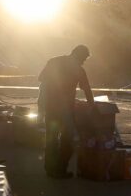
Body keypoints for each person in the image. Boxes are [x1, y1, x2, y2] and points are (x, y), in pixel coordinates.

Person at [38, 45, 96, 178]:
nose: (83, 62)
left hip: (51, 106)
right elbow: (87, 89)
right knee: (67, 140)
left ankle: (50, 170)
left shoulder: (54, 61)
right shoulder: (79, 70)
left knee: (51, 139)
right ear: (79, 56)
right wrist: (92, 106)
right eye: (84, 59)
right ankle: (60, 170)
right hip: (66, 110)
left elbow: (41, 78)